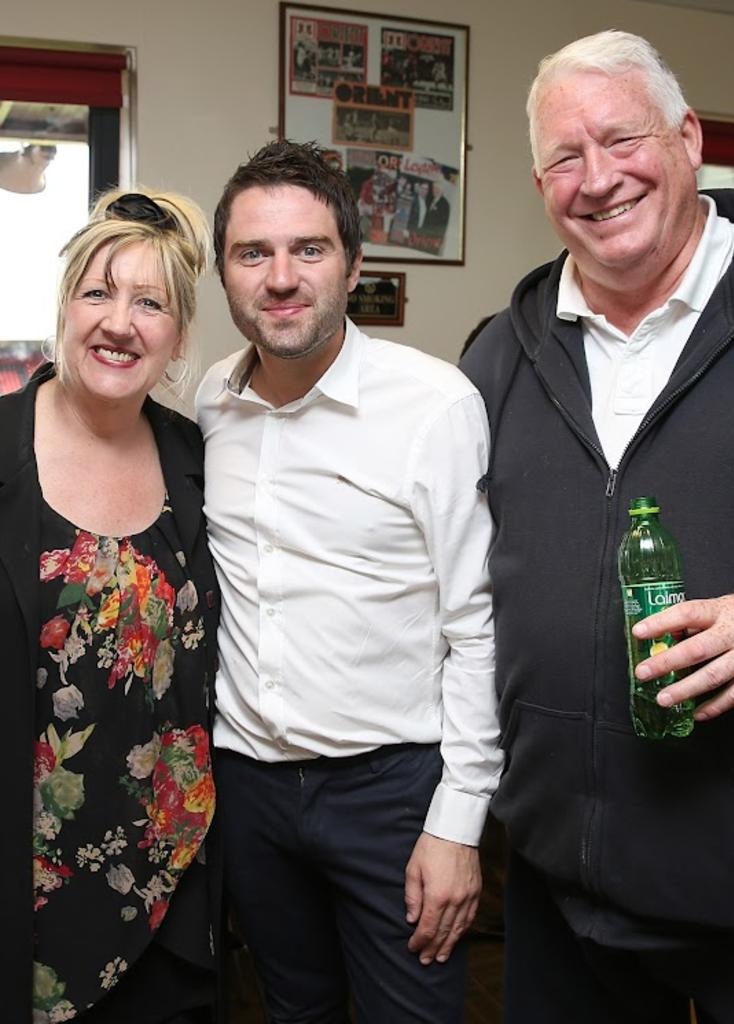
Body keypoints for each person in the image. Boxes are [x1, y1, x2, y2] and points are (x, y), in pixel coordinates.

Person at [461, 29, 734, 1024]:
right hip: (558, 887)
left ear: (687, 136)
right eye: (564, 156)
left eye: (622, 138)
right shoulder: (498, 356)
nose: (597, 178)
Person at [196, 139, 502, 1024]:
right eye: (254, 253)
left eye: (309, 249)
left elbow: (476, 626)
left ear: (355, 263)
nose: (281, 277)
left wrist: (458, 821)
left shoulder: (435, 406)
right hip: (249, 784)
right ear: (225, 274)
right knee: (292, 1011)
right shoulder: (213, 400)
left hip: (392, 791)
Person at [0, 188, 220, 1023]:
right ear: (64, 305)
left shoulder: (199, 462)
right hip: (27, 893)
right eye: (98, 292)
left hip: (174, 889)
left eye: (150, 302)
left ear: (177, 337)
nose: (118, 323)